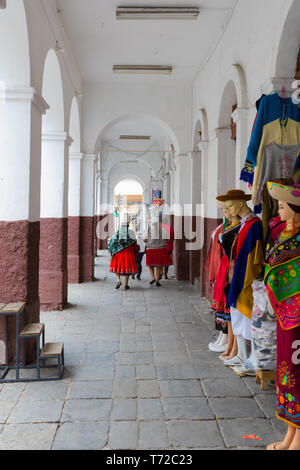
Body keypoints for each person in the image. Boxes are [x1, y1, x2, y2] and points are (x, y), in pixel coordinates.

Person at [265, 181, 300, 450]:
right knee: (286, 369)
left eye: (283, 206)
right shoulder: (285, 237)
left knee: (297, 371)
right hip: (285, 315)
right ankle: (290, 433)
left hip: (297, 316)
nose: (279, 211)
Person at [108, 220, 138, 290]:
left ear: (121, 226)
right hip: (129, 253)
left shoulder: (117, 233)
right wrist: (135, 252)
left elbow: (111, 243)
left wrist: (112, 252)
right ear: (128, 226)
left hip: (118, 254)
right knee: (128, 270)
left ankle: (118, 281)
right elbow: (135, 244)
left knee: (117, 269)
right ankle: (126, 284)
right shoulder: (131, 233)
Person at [145, 216, 172, 287]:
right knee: (158, 266)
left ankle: (152, 277)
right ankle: (157, 281)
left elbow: (145, 239)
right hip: (161, 249)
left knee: (150, 265)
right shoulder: (164, 229)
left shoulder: (150, 228)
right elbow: (168, 239)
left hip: (151, 249)